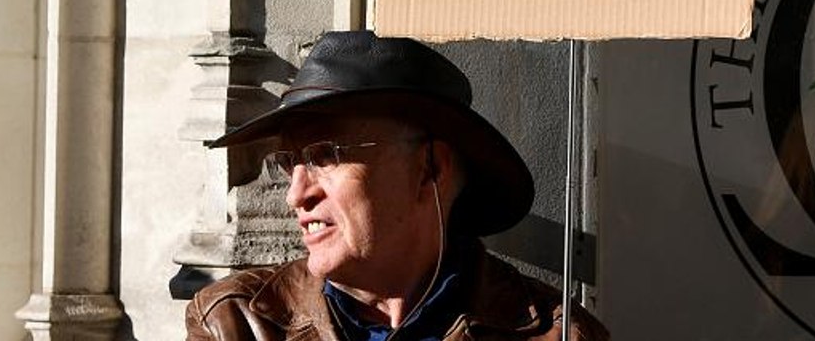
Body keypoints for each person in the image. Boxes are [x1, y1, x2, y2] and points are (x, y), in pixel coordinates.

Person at [186, 31, 609, 340]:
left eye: (324, 156)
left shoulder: (559, 334)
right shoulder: (234, 323)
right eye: (288, 163)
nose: (296, 194)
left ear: (430, 168)